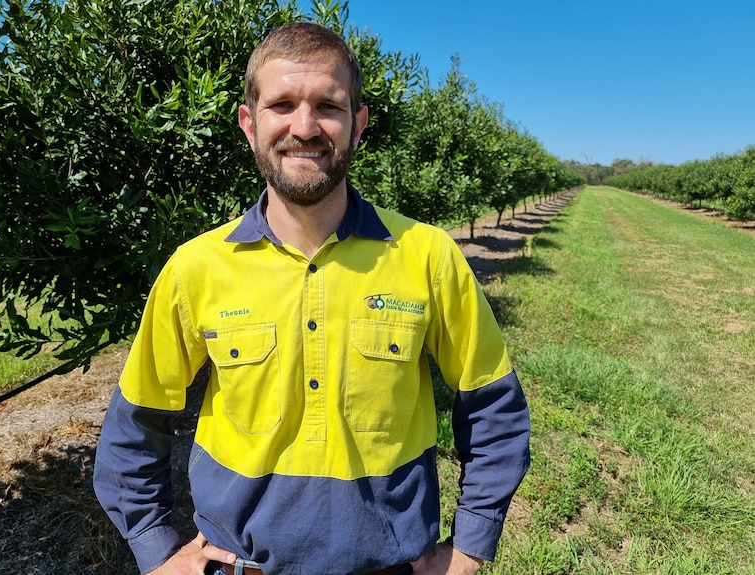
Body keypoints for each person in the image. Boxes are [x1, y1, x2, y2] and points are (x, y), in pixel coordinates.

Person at [94, 21, 530, 575]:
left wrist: (469, 548)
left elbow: (494, 408)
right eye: (282, 105)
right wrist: (156, 550)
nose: (305, 126)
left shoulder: (428, 256)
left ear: (358, 125)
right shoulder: (195, 268)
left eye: (328, 105)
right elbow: (136, 425)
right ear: (249, 124)